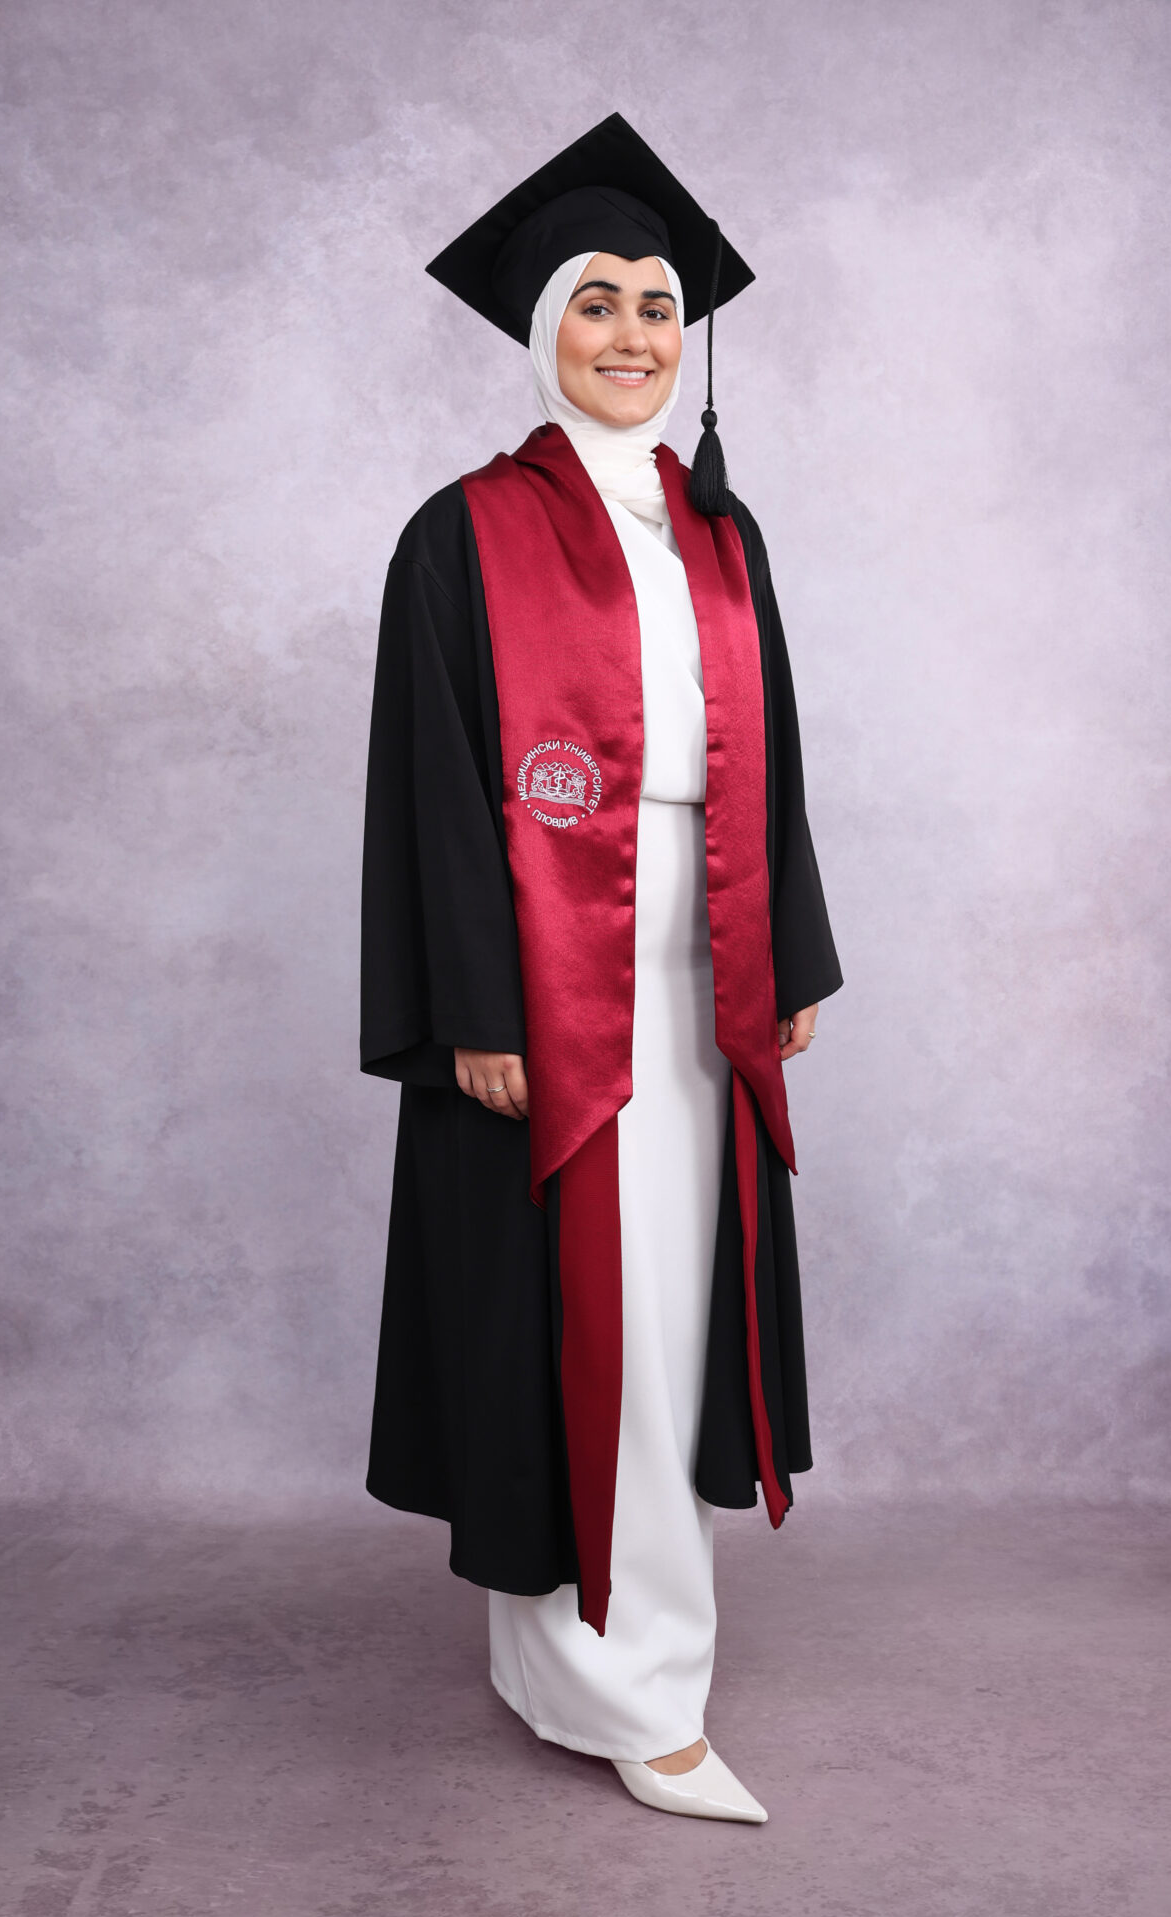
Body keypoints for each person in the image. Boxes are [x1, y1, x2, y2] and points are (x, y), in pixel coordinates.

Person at [359, 112, 842, 1823]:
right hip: (552, 981)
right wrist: (476, 1010)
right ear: (540, 328)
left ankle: (585, 1658)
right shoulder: (462, 534)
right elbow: (433, 789)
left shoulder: (726, 534)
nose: (636, 335)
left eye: (657, 306)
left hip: (700, 964)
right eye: (597, 305)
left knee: (666, 1310)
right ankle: (641, 1698)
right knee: (578, 1316)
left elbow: (771, 758)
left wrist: (787, 948)